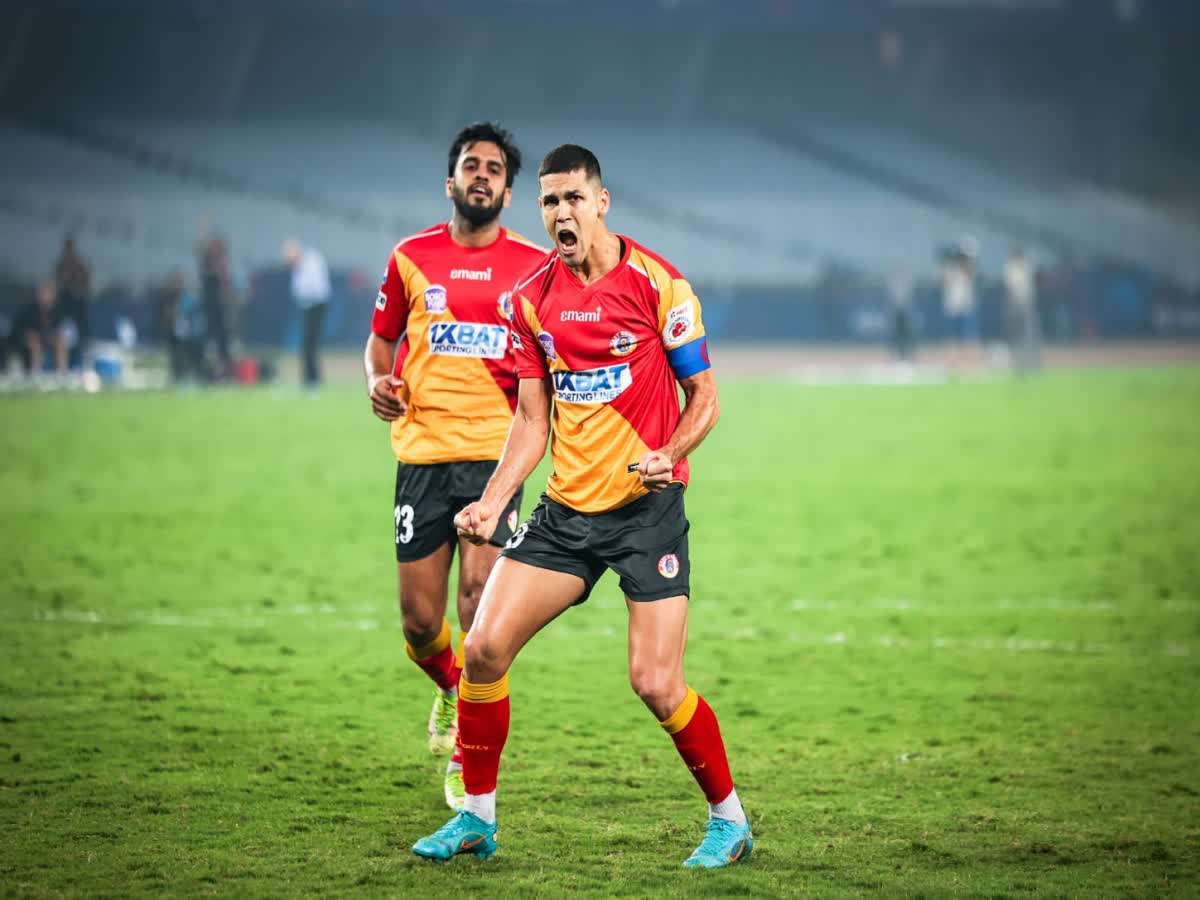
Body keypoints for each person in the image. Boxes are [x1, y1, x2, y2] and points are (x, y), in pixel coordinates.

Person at [412, 145, 751, 869]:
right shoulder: (530, 299)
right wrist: (491, 501)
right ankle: (476, 818)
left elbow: (706, 398)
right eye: (549, 201)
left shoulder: (659, 284)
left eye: (572, 198)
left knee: (655, 683)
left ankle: (730, 820)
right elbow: (531, 420)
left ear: (601, 202)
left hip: (645, 512)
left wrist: (670, 452)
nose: (560, 213)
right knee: (483, 648)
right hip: (566, 514)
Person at [364, 122, 547, 810]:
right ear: (451, 181)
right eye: (471, 165)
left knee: (477, 601)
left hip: (494, 456)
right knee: (419, 624)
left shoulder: (533, 266)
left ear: (507, 191)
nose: (482, 176)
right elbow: (380, 343)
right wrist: (376, 381)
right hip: (420, 454)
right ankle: (449, 686)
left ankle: (468, 762)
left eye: (494, 169)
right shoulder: (410, 257)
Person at [282, 239, 331, 388]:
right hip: (307, 306)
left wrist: (301, 293)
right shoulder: (299, 266)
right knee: (307, 343)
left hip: (316, 305)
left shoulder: (312, 260)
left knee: (310, 343)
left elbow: (312, 287)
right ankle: (309, 378)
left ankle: (312, 379)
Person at [14, 280, 67, 378]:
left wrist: (55, 335)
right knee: (35, 343)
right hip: (30, 339)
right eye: (44, 293)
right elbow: (22, 329)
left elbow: (58, 328)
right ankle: (35, 373)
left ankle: (61, 373)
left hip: (47, 337)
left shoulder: (57, 310)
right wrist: (30, 335)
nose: (46, 297)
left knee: (60, 342)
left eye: (49, 294)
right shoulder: (29, 309)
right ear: (39, 294)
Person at [1002, 245, 1041, 374]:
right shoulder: (1010, 268)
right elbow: (1010, 288)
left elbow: (1030, 289)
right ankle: (1017, 363)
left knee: (1029, 335)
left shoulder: (1026, 267)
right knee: (1016, 336)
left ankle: (1032, 362)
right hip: (1015, 307)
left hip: (1026, 306)